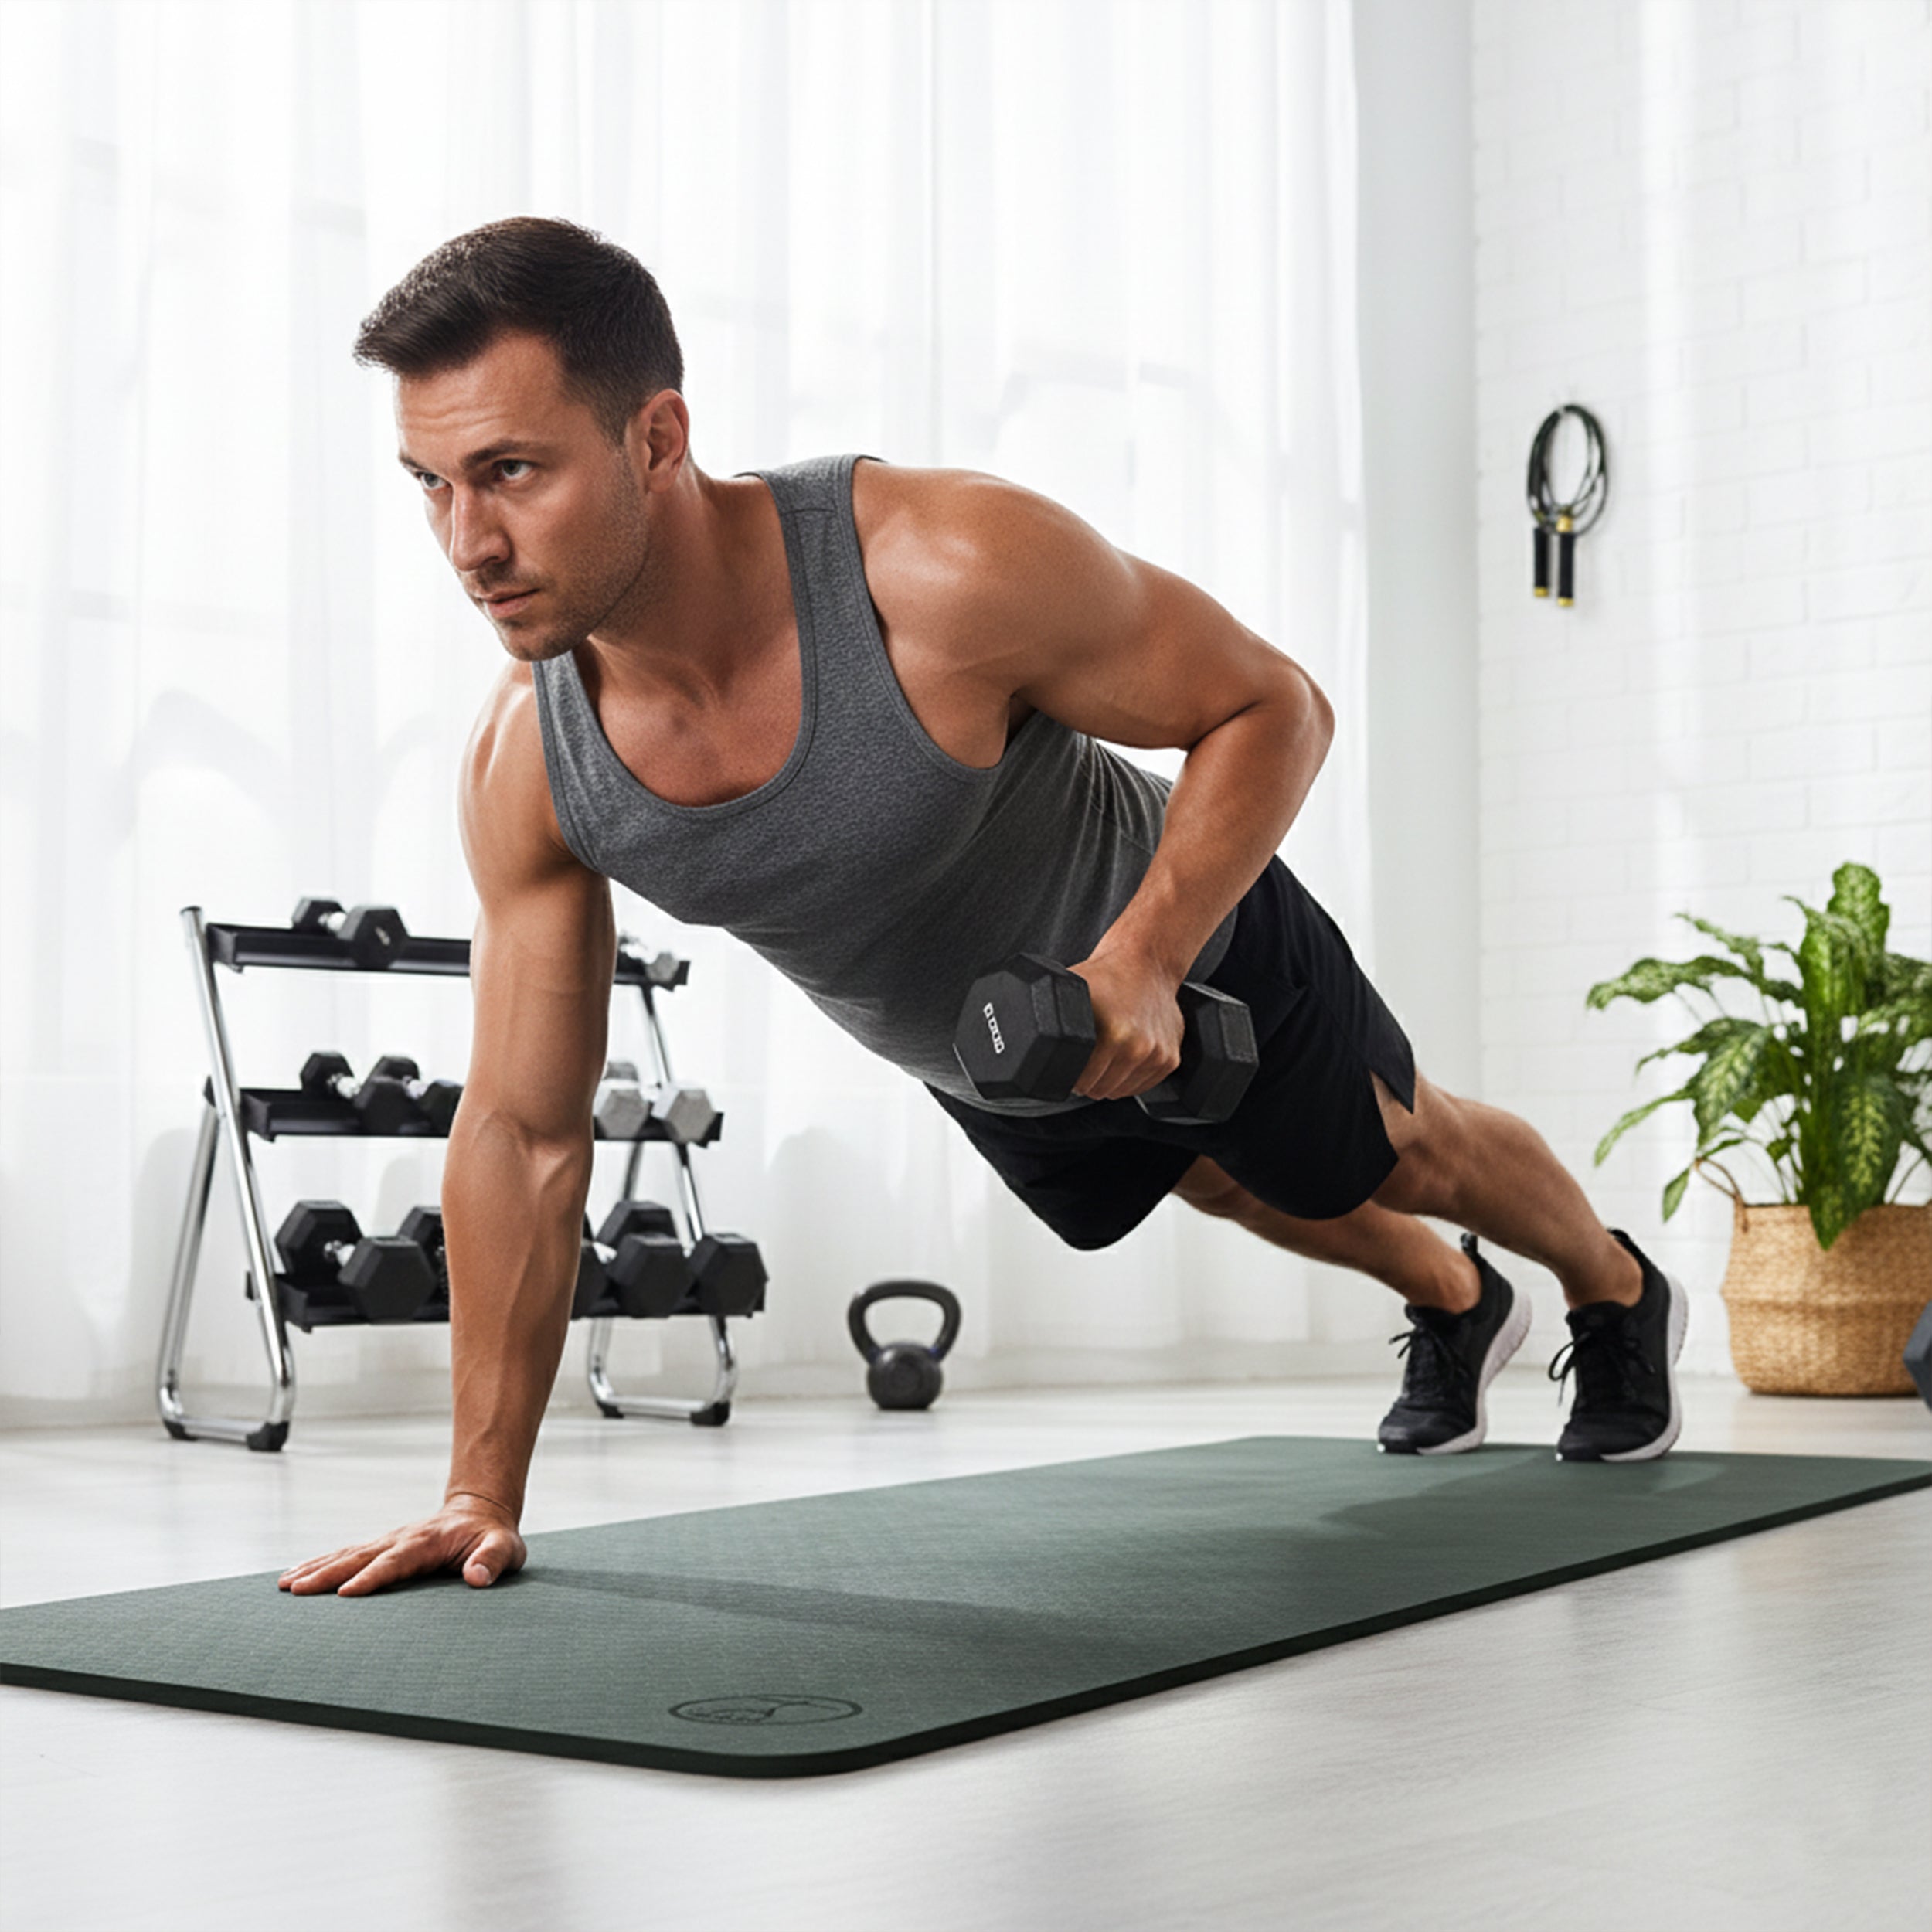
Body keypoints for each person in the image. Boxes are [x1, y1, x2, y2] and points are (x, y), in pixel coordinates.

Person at [279, 217, 1685, 1601]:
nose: (468, 540)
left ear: (656, 437)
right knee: (1210, 1176)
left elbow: (1274, 705)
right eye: (431, 483)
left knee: (1400, 1147)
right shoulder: (531, 759)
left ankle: (1610, 1285)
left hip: (1190, 941)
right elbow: (524, 1131)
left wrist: (1145, 958)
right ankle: (1454, 1300)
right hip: (994, 1053)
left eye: (511, 471)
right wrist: (479, 1492)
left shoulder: (936, 569)